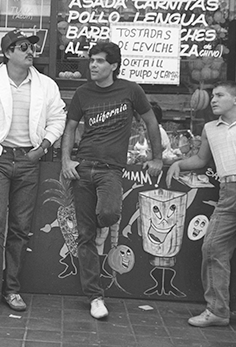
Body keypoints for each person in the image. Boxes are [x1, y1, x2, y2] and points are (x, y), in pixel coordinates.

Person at [0, 29, 66, 314]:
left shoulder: (45, 85)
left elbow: (58, 118)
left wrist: (42, 147)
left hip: (29, 160)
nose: (30, 51)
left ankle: (12, 290)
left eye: (31, 47)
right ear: (7, 53)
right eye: (22, 47)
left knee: (19, 228)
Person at [61, 41, 163, 319]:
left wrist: (157, 158)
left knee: (108, 213)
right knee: (85, 236)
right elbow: (69, 128)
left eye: (99, 61)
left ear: (114, 66)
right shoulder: (82, 93)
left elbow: (151, 122)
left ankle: (97, 230)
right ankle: (95, 296)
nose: (93, 65)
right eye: (91, 60)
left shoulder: (131, 90)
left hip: (110, 170)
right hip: (83, 169)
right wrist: (66, 159)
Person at [166, 81, 236, 333]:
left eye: (219, 95)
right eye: (212, 95)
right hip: (227, 192)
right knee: (212, 247)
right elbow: (202, 159)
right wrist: (179, 164)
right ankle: (217, 310)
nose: (213, 99)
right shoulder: (209, 128)